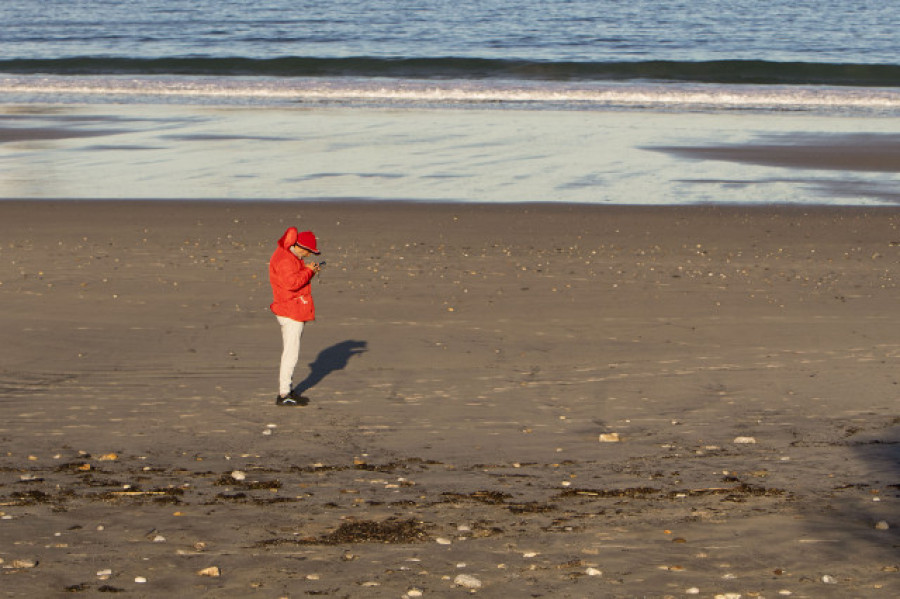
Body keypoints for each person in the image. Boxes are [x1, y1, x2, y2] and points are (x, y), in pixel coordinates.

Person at [269, 227, 321, 406]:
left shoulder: (286, 254)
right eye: (308, 251)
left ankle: (286, 391)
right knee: (291, 353)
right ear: (299, 246)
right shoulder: (285, 259)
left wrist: (307, 270)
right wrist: (309, 272)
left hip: (289, 308)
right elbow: (292, 283)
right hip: (291, 310)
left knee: (290, 351)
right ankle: (284, 394)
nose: (308, 255)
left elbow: (293, 278)